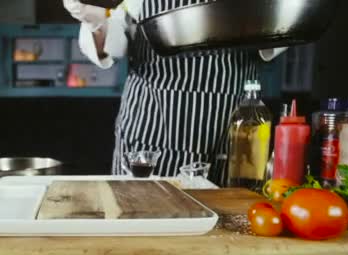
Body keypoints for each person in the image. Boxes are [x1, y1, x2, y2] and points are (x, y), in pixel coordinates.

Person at [63, 0, 286, 185]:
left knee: (226, 220)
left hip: (231, 124)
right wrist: (94, 20)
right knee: (143, 217)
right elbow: (114, 42)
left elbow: (278, 34)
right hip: (153, 126)